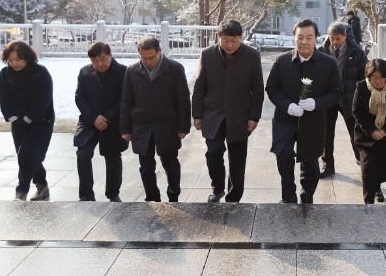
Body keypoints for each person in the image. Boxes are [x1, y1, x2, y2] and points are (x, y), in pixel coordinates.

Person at [266, 19, 340, 204]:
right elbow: (272, 88)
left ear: (316, 38)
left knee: (310, 162)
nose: (304, 42)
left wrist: (317, 103)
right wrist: (286, 105)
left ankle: (307, 196)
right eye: (300, 37)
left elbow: (335, 93)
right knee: (283, 154)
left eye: (309, 37)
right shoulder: (282, 61)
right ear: (294, 37)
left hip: (313, 120)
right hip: (285, 118)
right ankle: (288, 195)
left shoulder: (328, 64)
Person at [192, 20, 264, 203]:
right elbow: (199, 86)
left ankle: (234, 197)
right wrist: (197, 115)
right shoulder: (207, 54)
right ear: (219, 38)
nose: (230, 45)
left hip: (240, 116)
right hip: (213, 114)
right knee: (213, 152)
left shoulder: (252, 55)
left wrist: (254, 117)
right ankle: (217, 188)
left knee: (237, 159)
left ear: (241, 38)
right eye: (225, 40)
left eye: (234, 41)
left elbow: (258, 89)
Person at [120, 37, 191, 202]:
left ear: (159, 51)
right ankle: (152, 197)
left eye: (151, 57)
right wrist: (125, 129)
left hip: (167, 124)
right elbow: (126, 101)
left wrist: (183, 126)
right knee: (145, 165)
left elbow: (183, 99)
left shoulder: (174, 68)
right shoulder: (132, 71)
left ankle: (173, 194)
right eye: (143, 58)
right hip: (141, 124)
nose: (148, 61)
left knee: (170, 162)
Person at [0, 41, 54, 201]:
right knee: (25, 155)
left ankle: (21, 192)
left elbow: (44, 99)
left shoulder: (40, 72)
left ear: (27, 57)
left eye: (18, 59)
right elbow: (2, 97)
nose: (14, 63)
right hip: (17, 121)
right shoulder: (4, 74)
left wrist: (29, 117)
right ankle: (42, 186)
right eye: (11, 60)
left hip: (41, 120)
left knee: (27, 154)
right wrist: (13, 117)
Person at [74, 42, 127, 202]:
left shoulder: (123, 72)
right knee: (82, 154)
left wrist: (107, 117)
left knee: (112, 156)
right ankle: (86, 195)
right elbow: (79, 98)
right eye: (95, 61)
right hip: (89, 121)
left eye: (103, 59)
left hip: (113, 122)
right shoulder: (84, 72)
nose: (100, 64)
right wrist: (94, 118)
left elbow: (125, 99)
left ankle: (113, 194)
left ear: (110, 55)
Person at [318, 21, 368, 177]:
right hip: (328, 98)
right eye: (331, 38)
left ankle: (362, 160)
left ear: (345, 36)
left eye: (338, 38)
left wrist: (361, 99)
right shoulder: (321, 51)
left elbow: (364, 78)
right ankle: (328, 165)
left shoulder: (357, 53)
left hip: (349, 98)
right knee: (326, 134)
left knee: (355, 132)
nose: (334, 42)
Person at [353, 59, 386, 204]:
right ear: (368, 76)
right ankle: (368, 202)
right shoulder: (361, 86)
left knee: (381, 166)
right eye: (374, 77)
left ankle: (377, 188)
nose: (378, 81)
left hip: (385, 135)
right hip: (366, 135)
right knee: (368, 169)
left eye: (382, 77)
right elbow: (357, 112)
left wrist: (385, 130)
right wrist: (371, 131)